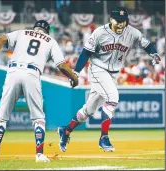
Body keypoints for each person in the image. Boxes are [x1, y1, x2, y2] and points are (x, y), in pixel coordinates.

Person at [57, 7, 161, 152]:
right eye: (118, 21)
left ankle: (66, 131)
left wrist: (154, 53)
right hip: (97, 69)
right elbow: (86, 53)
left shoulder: (132, 32)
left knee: (89, 110)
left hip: (113, 74)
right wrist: (76, 72)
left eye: (123, 21)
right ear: (111, 20)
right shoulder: (100, 32)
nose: (120, 24)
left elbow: (147, 44)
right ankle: (103, 138)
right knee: (113, 98)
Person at [0, 20, 78, 163]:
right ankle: (39, 155)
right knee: (38, 118)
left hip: (13, 71)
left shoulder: (21, 32)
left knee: (2, 117)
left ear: (35, 28)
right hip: (32, 74)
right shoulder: (50, 40)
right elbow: (61, 65)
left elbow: (1, 39)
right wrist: (74, 77)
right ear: (47, 31)